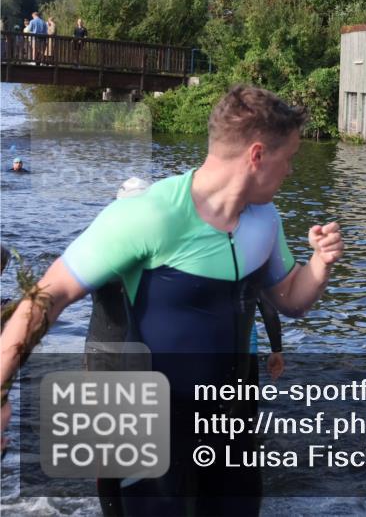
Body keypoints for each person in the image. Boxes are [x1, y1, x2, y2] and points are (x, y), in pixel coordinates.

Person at [0, 85, 344, 516]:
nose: (290, 170)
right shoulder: (150, 216)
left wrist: (320, 264)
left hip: (232, 427)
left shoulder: (265, 219)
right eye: (288, 157)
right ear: (256, 155)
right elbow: (44, 299)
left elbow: (291, 299)